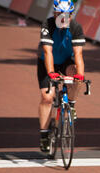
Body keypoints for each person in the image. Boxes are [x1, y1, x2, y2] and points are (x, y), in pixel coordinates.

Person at [37, 0, 85, 153]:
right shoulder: (48, 24)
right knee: (47, 97)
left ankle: (71, 104)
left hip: (65, 61)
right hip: (47, 62)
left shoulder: (76, 27)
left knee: (75, 74)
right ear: (54, 13)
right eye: (59, 14)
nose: (63, 18)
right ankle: (44, 134)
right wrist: (51, 73)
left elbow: (78, 54)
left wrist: (80, 76)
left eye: (66, 15)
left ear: (71, 15)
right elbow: (47, 52)